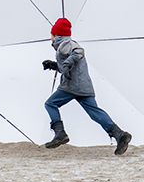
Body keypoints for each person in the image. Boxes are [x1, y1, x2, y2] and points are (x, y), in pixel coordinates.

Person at [41, 18, 132, 155]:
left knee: (50, 104)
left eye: (51, 35)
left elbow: (79, 52)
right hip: (84, 86)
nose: (50, 38)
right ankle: (120, 135)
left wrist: (66, 64)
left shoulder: (65, 43)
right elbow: (70, 67)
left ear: (56, 35)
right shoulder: (66, 45)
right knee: (95, 112)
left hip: (71, 86)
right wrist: (54, 65)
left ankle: (60, 133)